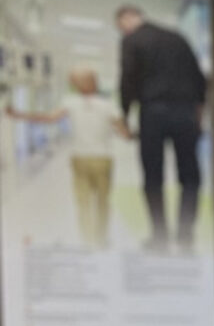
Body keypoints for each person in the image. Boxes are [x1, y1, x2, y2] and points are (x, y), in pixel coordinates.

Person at [115, 4, 206, 249]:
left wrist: (124, 114)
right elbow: (199, 78)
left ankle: (160, 236)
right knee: (190, 177)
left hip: (152, 113)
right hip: (185, 111)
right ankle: (186, 235)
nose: (122, 31)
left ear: (126, 19)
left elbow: (127, 78)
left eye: (120, 26)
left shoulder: (132, 40)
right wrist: (198, 113)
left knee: (152, 176)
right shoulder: (177, 38)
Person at [5, 67, 125, 248]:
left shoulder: (70, 103)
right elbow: (123, 130)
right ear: (95, 83)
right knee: (102, 202)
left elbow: (48, 119)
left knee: (83, 203)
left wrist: (19, 114)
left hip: (80, 159)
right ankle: (100, 240)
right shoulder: (108, 105)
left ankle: (88, 241)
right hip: (103, 159)